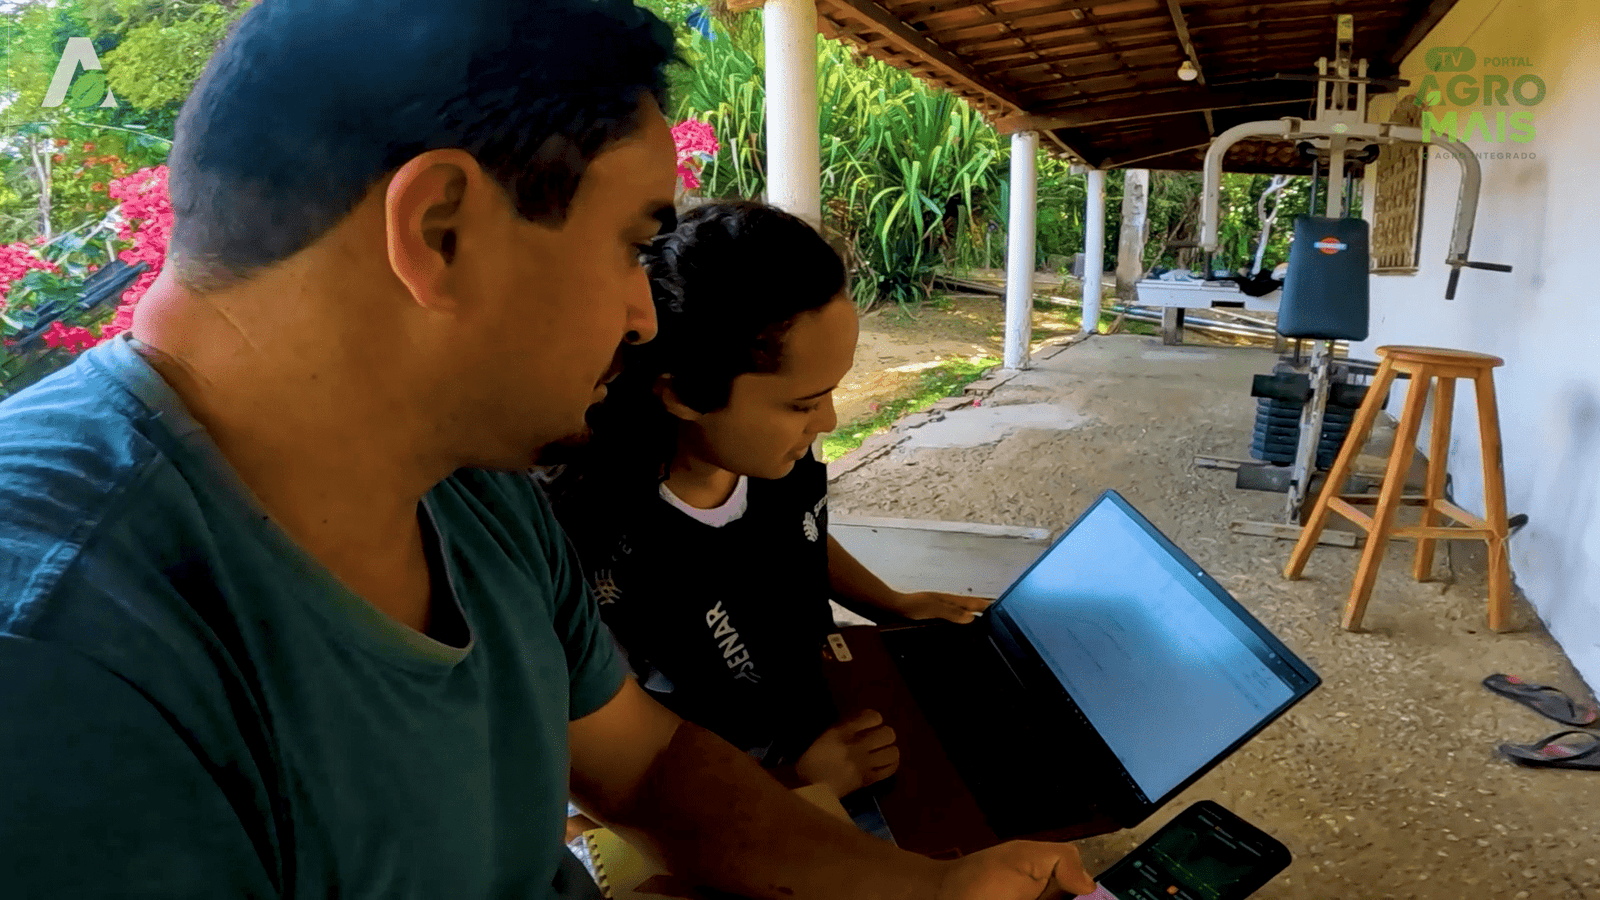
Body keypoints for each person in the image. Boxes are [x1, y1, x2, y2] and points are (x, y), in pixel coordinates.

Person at [0, 2, 1095, 898]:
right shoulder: (62, 655)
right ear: (441, 231)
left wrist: (927, 893)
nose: (639, 313)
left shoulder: (476, 492)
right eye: (632, 246)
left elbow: (647, 764)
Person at [545, 200, 991, 804]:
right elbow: (612, 791)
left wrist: (889, 600)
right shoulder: (599, 549)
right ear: (682, 395)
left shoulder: (767, 455)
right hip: (742, 798)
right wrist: (799, 784)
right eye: (803, 404)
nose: (827, 422)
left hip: (828, 719)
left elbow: (794, 536)